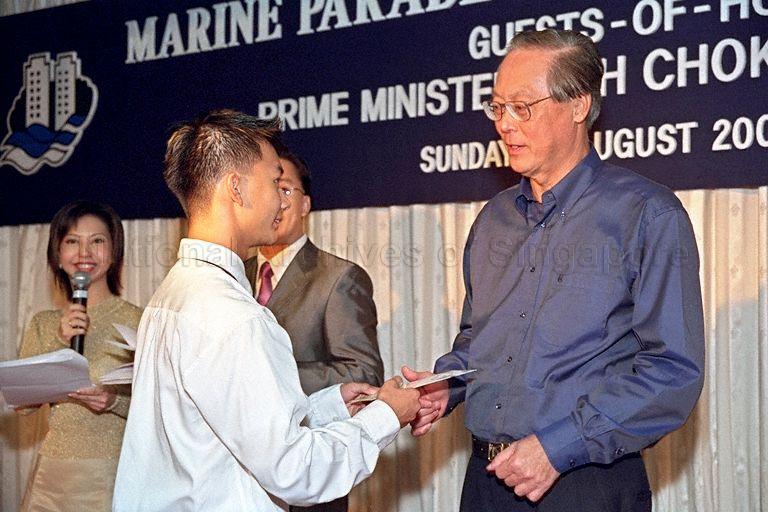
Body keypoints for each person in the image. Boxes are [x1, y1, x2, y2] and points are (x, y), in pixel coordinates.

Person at [404, 29, 705, 511]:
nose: (504, 124)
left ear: (579, 105)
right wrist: (447, 383)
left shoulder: (647, 215)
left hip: (586, 483)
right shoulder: (492, 220)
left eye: (522, 107)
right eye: (497, 107)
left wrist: (559, 447)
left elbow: (672, 372)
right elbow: (477, 342)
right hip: (485, 483)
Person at [113, 109, 420, 511]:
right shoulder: (235, 316)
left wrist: (327, 405)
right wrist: (386, 417)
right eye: (276, 180)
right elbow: (297, 471)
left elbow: (228, 424)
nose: (281, 197)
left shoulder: (172, 294)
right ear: (237, 189)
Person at [245, 150, 384, 512]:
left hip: (310, 467)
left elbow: (362, 373)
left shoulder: (338, 277)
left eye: (286, 189)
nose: (276, 199)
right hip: (240, 473)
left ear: (306, 204)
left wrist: (267, 376)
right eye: (269, 187)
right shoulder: (231, 276)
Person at [17, 200, 142, 512]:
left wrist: (113, 402)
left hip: (110, 476)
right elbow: (22, 407)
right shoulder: (45, 324)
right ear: (58, 256)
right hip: (52, 478)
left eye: (97, 241)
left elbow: (160, 407)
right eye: (72, 241)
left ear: (114, 255)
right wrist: (59, 342)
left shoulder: (141, 321)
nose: (84, 253)